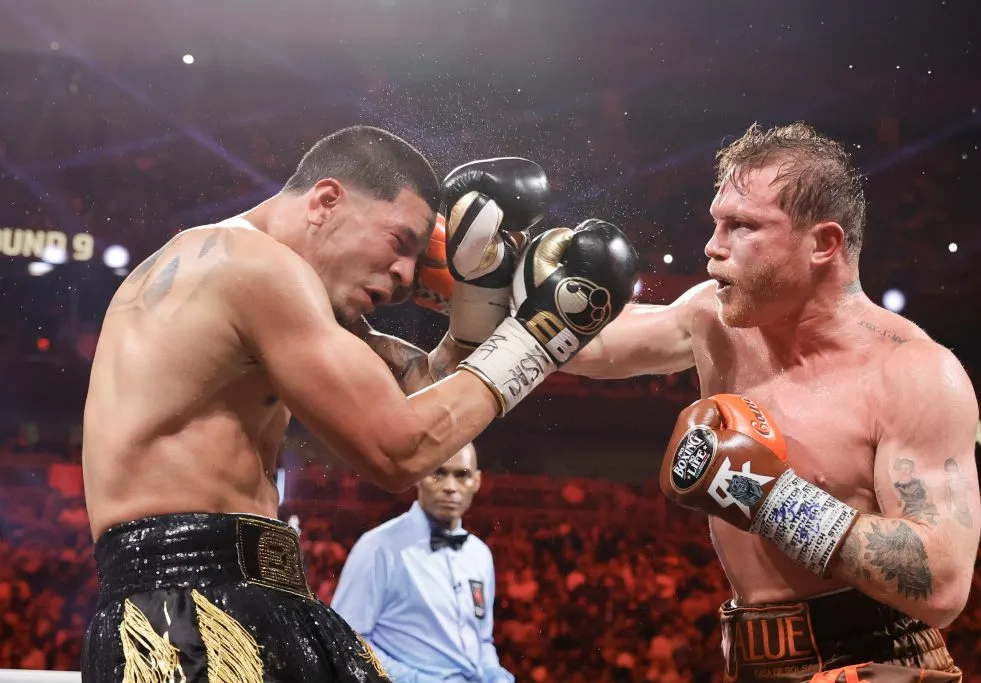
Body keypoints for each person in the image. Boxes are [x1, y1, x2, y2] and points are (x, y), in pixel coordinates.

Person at [80, 124, 640, 682]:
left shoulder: (261, 282)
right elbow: (399, 448)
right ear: (326, 201)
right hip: (186, 613)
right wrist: (542, 334)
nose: (403, 281)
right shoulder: (251, 265)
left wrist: (481, 300)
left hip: (240, 593)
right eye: (400, 244)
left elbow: (424, 403)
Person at [567, 122, 980, 682]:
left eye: (741, 226)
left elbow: (943, 581)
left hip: (879, 658)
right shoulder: (713, 318)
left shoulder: (914, 372)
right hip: (753, 660)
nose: (712, 247)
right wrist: (468, 283)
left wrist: (769, 497)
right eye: (717, 223)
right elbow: (579, 341)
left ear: (824, 244)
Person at [331, 442, 513, 683]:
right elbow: (346, 640)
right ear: (417, 476)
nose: (450, 487)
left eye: (462, 475)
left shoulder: (480, 554)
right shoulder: (378, 547)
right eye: (438, 473)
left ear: (477, 481)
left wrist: (495, 675)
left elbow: (481, 640)